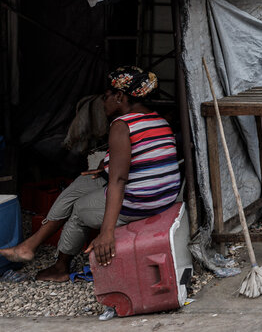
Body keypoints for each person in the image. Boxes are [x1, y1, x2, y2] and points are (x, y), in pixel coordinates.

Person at [0, 67, 180, 281]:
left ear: (120, 96)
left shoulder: (122, 125)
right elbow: (139, 161)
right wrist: (106, 167)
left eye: (106, 97)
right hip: (161, 197)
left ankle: (60, 268)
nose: (103, 103)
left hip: (140, 203)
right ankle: (28, 246)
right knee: (82, 182)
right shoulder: (157, 120)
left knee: (79, 208)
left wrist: (107, 231)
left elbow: (119, 180)